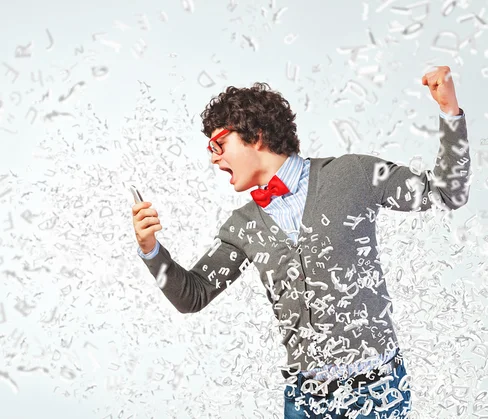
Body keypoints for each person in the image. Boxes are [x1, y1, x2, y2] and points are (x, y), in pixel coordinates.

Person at [131, 65, 470, 418]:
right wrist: (150, 249)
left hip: (378, 391)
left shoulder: (352, 174)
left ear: (255, 136)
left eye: (219, 143)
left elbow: (446, 193)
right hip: (305, 401)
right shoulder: (242, 225)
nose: (213, 156)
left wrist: (450, 112)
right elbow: (192, 295)